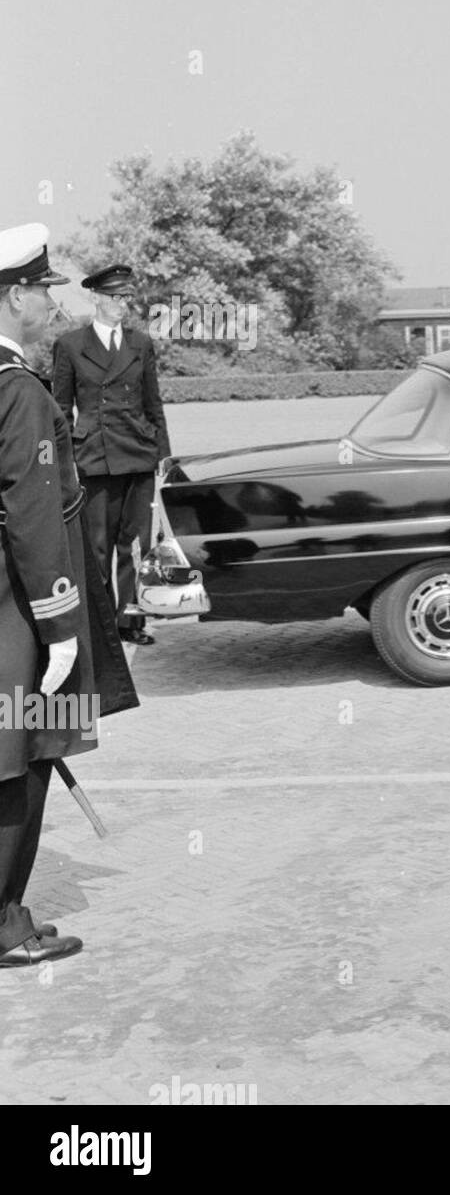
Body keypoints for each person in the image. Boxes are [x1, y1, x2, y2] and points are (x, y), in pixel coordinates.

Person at [0, 224, 138, 968]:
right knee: (19, 760)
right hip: (20, 612)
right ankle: (1, 926)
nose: (52, 302)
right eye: (44, 290)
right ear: (14, 294)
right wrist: (59, 627)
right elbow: (32, 514)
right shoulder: (17, 392)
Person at [52, 264, 171, 646]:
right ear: (96, 298)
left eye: (126, 298)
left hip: (137, 453)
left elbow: (154, 403)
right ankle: (102, 629)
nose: (122, 304)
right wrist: (65, 460)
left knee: (133, 544)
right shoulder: (71, 345)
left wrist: (164, 456)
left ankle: (130, 622)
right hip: (95, 458)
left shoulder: (141, 344)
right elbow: (60, 407)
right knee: (98, 547)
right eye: (115, 297)